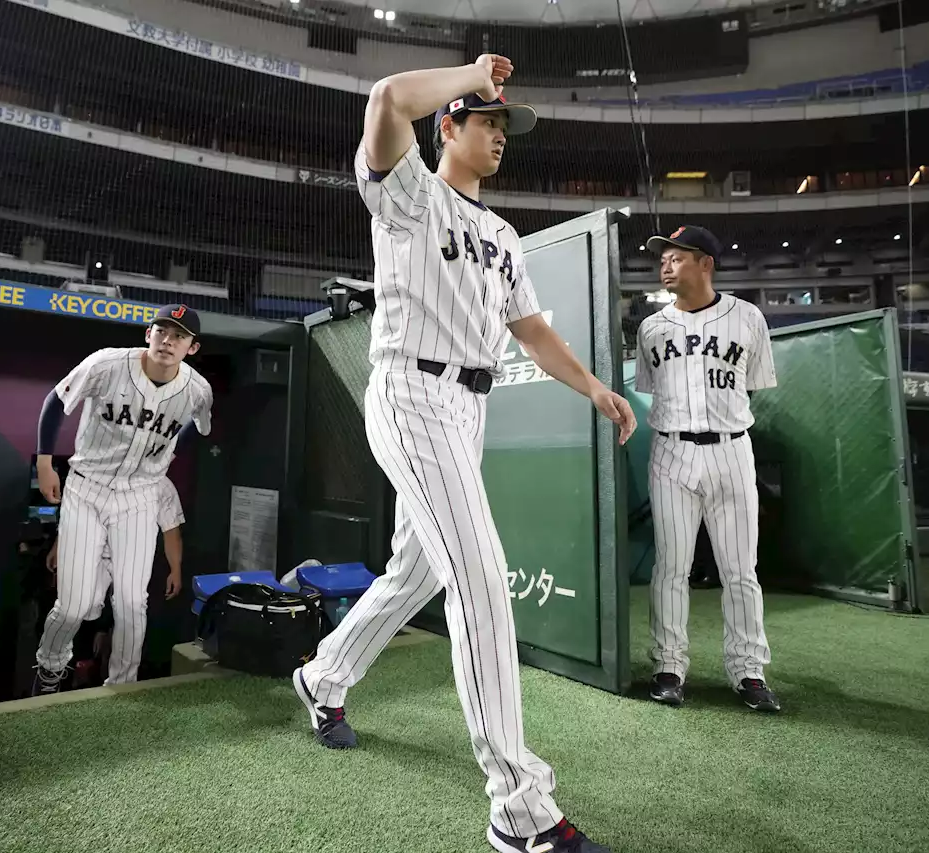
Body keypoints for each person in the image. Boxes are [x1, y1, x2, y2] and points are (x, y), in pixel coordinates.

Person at [291, 55, 635, 853]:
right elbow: (386, 98)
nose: (501, 135)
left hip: (466, 406)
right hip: (409, 393)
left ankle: (323, 676)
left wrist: (591, 385)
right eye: (488, 121)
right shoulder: (408, 194)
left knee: (415, 571)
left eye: (505, 125)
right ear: (450, 124)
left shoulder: (503, 234)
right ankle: (519, 807)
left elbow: (531, 330)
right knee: (478, 575)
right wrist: (472, 72)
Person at [634, 225, 780, 713]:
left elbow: (754, 384)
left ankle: (749, 672)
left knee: (741, 570)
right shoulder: (651, 327)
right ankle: (669, 666)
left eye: (677, 257)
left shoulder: (748, 318)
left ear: (706, 263)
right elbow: (652, 388)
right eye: (663, 259)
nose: (665, 265)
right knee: (671, 567)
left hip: (732, 451)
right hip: (672, 452)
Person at [31, 304, 211, 695]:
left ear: (191, 348)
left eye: (179, 335)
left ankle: (123, 685)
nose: (168, 340)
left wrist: (167, 452)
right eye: (162, 330)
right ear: (148, 334)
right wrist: (45, 463)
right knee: (75, 606)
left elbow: (199, 425)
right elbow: (54, 403)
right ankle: (49, 666)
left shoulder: (197, 390)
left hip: (139, 496)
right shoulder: (107, 364)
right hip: (86, 488)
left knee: (132, 604)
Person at [45, 475, 187, 685]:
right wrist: (60, 545)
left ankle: (121, 682)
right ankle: (54, 669)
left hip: (131, 560)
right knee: (78, 609)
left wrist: (175, 569)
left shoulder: (161, 485)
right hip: (93, 556)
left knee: (131, 610)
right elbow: (76, 515)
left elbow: (171, 530)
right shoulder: (98, 472)